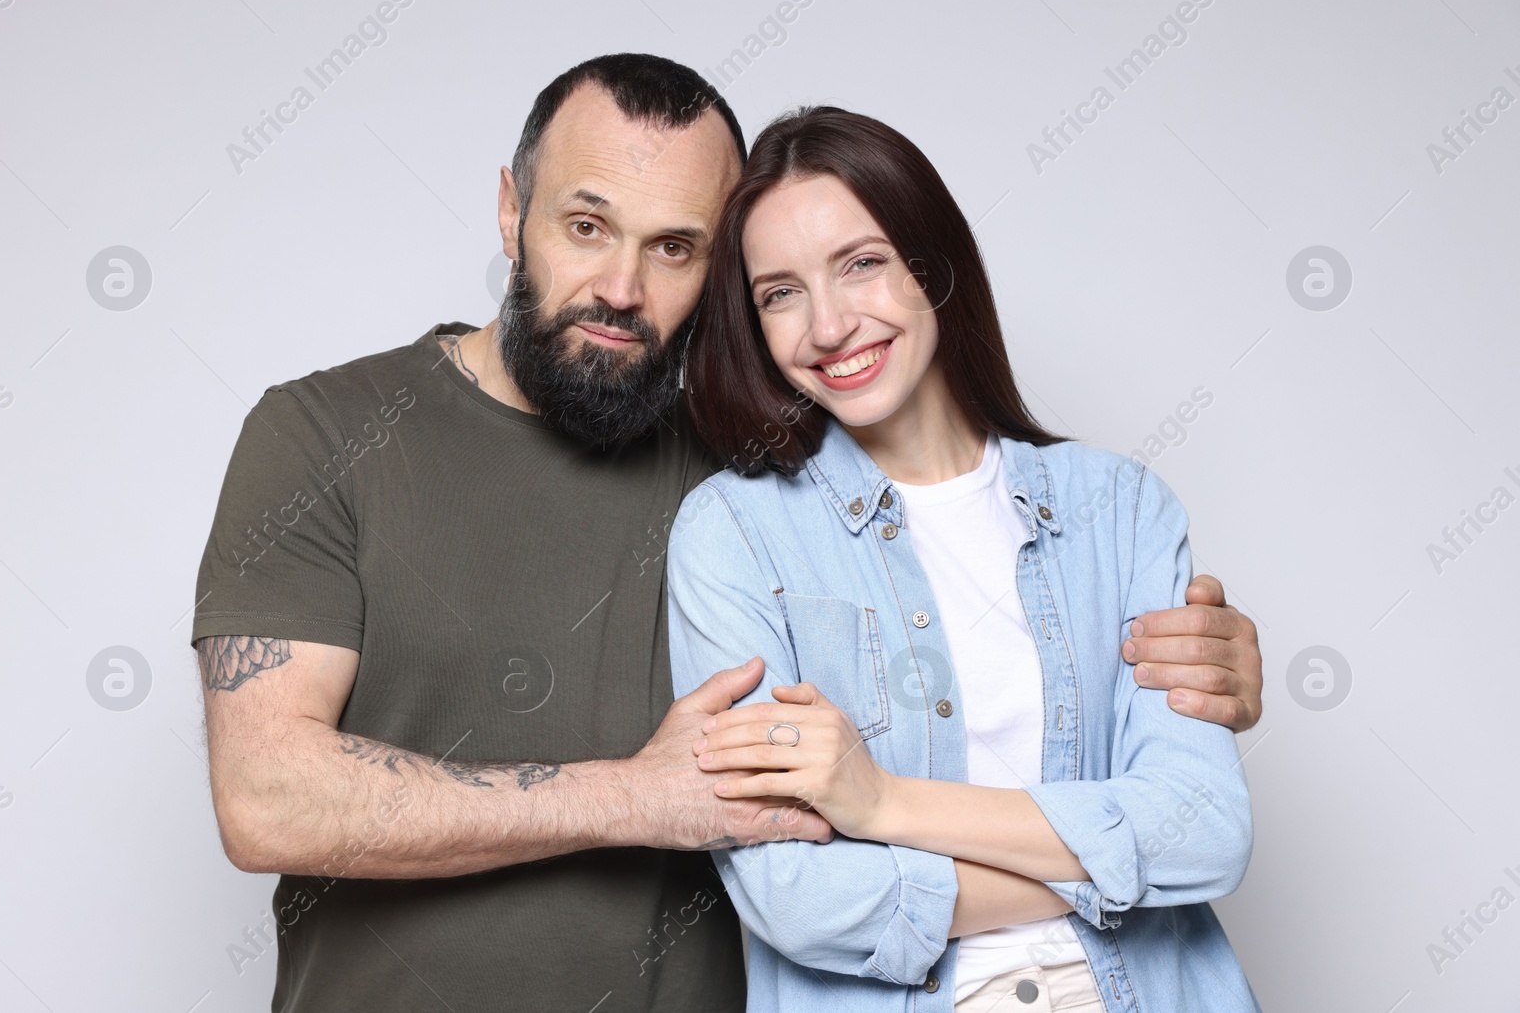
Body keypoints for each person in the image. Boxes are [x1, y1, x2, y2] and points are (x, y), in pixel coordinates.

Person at [191, 55, 1265, 1012]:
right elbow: (266, 796)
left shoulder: (755, 464)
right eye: (585, 223)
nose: (620, 285)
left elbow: (994, 594)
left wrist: (1196, 661)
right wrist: (637, 795)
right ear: (510, 208)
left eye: (674, 247)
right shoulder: (326, 432)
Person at [668, 106, 1262, 1012]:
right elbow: (794, 899)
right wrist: (1109, 862)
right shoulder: (735, 535)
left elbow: (1207, 830)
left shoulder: (1120, 507)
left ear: (932, 266)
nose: (828, 327)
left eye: (860, 263)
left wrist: (879, 804)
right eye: (780, 293)